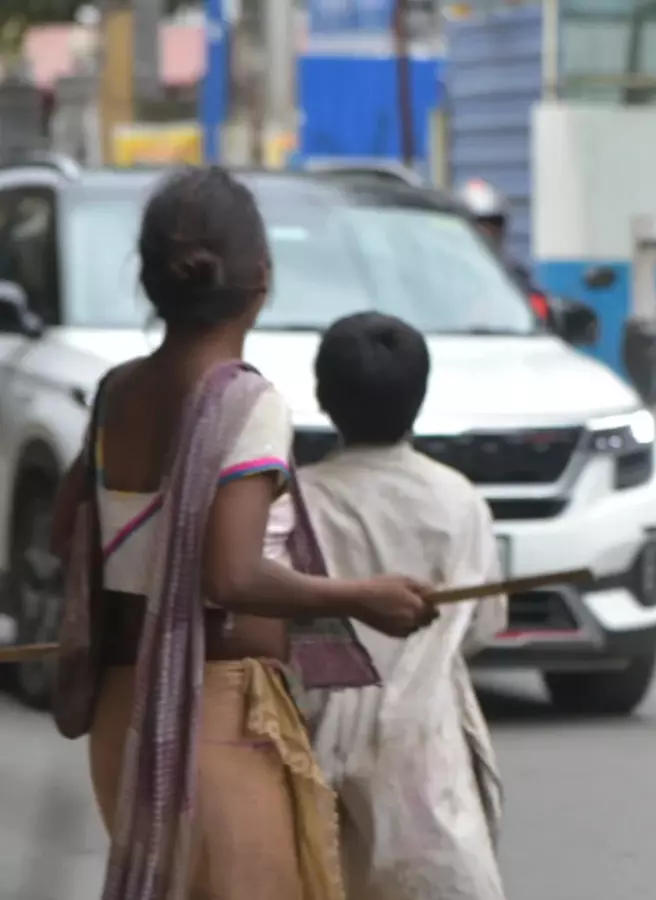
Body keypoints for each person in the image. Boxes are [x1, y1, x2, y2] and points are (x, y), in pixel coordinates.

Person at [48, 166, 438, 899]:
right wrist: (363, 596)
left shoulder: (116, 392)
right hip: (213, 716)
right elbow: (229, 577)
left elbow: (66, 532)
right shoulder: (245, 401)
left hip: (122, 716)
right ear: (262, 276)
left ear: (155, 277)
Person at [296, 312, 508, 900]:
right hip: (426, 744)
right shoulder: (459, 500)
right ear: (421, 395)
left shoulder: (298, 500)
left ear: (322, 396)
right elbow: (485, 623)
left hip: (310, 740)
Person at [459, 177, 539, 294]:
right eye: (481, 224)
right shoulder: (447, 274)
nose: (488, 232)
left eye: (494, 224)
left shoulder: (514, 274)